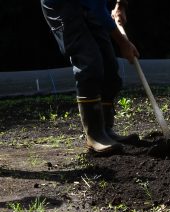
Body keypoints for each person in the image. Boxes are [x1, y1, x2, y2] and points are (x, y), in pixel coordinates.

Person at [40, 0, 140, 155]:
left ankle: (106, 130)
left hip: (90, 5)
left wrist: (120, 5)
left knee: (110, 68)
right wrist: (123, 43)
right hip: (62, 6)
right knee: (90, 62)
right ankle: (95, 136)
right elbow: (98, 9)